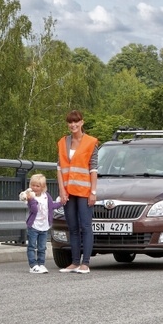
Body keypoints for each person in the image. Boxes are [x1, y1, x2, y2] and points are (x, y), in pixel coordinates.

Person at [57, 110, 99, 274]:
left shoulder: (91, 142)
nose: (73, 125)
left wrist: (93, 192)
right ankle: (75, 262)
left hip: (84, 190)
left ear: (82, 122)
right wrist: (62, 190)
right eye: (70, 122)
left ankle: (85, 263)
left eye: (76, 122)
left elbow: (94, 169)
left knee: (85, 226)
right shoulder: (63, 142)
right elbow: (59, 168)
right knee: (72, 227)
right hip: (68, 191)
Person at [19, 174, 62, 274]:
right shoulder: (31, 198)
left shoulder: (46, 196)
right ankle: (33, 265)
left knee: (42, 247)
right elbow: (34, 210)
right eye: (33, 185)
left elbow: (52, 206)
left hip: (44, 226)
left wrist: (61, 203)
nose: (34, 188)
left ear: (43, 187)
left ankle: (41, 263)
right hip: (34, 226)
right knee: (32, 246)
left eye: (37, 186)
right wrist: (31, 200)